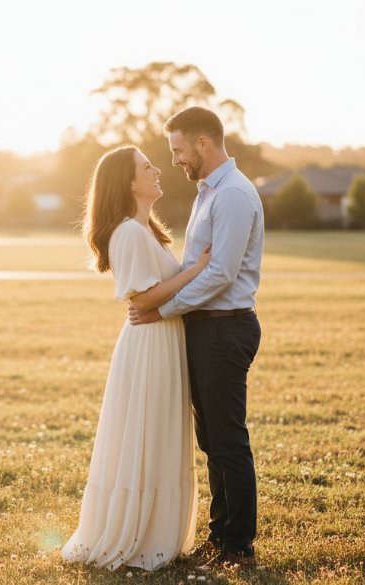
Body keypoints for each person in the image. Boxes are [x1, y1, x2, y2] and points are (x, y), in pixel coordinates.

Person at [61, 145, 210, 571]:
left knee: (158, 432)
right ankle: (135, 535)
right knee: (145, 433)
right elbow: (142, 298)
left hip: (163, 341)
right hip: (148, 346)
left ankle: (154, 531)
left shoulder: (147, 231)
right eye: (147, 167)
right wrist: (195, 270)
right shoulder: (127, 232)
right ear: (129, 183)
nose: (157, 169)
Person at [129, 106, 265, 568]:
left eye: (180, 150)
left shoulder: (231, 196)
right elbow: (194, 266)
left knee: (228, 440)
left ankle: (239, 547)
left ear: (204, 143)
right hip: (207, 326)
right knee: (212, 440)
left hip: (225, 327)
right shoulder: (210, 192)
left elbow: (221, 274)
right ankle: (221, 535)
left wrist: (162, 308)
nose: (176, 160)